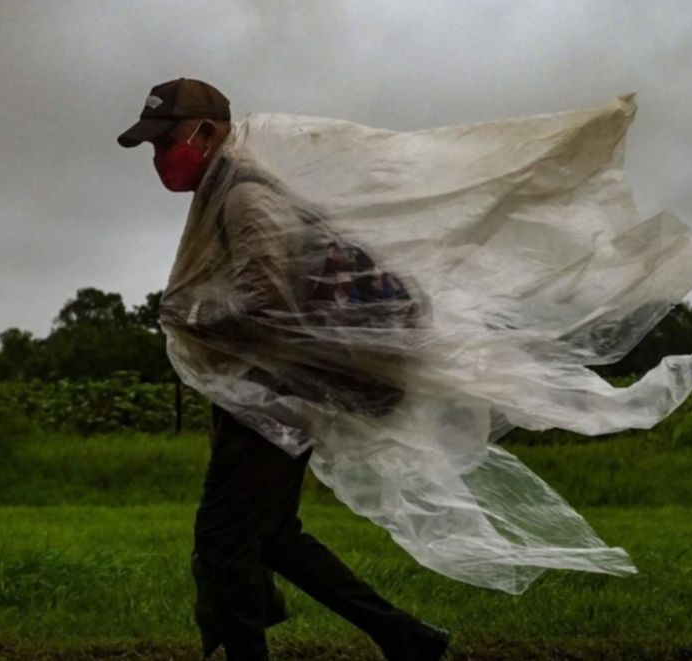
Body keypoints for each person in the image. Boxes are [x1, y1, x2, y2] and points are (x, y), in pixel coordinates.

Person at [117, 77, 451, 661]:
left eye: (165, 141)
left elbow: (267, 307)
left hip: (276, 394)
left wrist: (186, 312)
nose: (159, 158)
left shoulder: (246, 197)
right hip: (278, 389)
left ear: (208, 131)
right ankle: (407, 638)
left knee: (223, 543)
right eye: (151, 148)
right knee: (271, 537)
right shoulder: (229, 190)